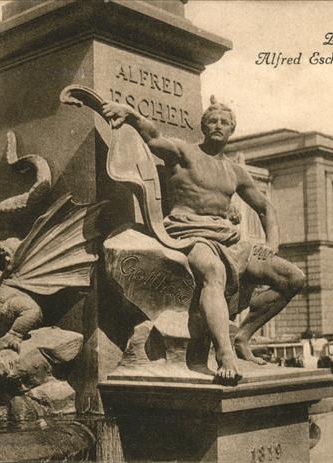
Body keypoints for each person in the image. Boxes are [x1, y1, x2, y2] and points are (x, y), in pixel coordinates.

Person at [101, 98, 306, 383]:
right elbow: (154, 137)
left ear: (232, 129)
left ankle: (243, 336)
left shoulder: (236, 171)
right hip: (189, 234)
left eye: (224, 122)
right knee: (213, 270)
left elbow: (266, 207)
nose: (218, 126)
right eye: (212, 121)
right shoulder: (185, 153)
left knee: (293, 278)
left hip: (229, 240)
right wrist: (132, 115)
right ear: (203, 126)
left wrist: (272, 244)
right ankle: (225, 355)